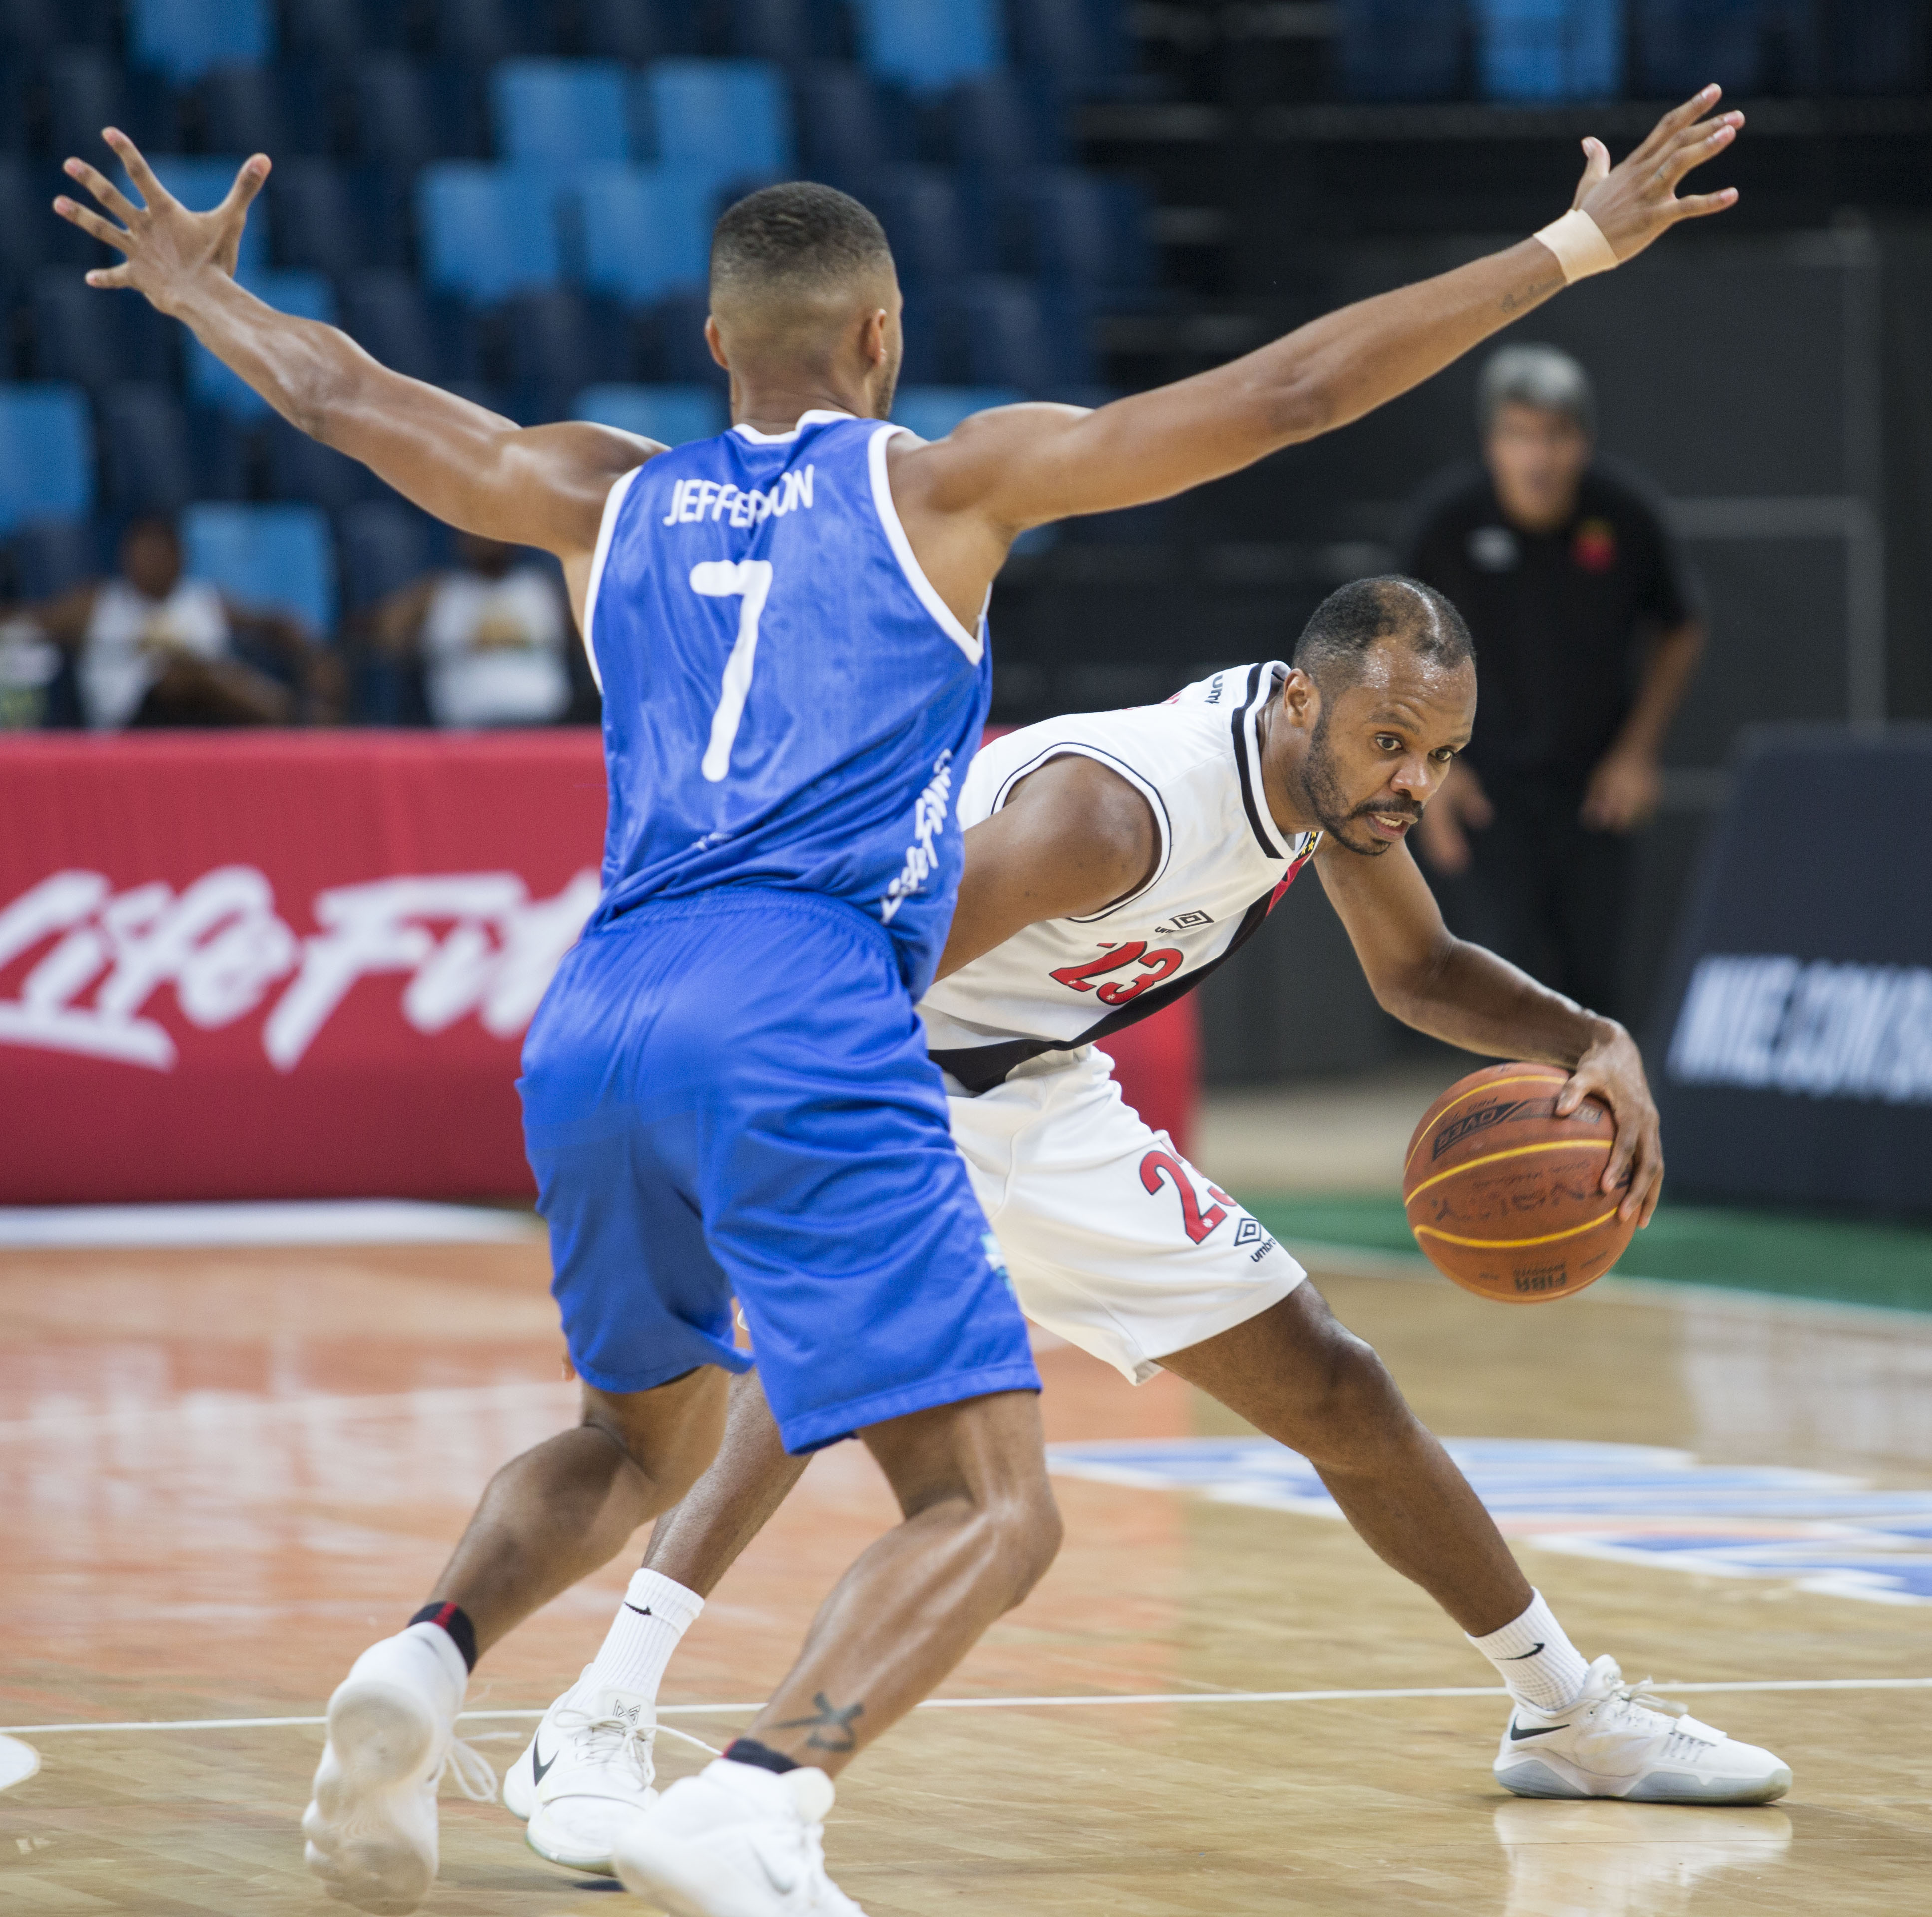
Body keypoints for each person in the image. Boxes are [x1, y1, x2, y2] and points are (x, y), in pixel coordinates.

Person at [54, 84, 1743, 1917]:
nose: (1411, 776)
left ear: (717, 343)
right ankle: (747, 1795)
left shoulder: (603, 492)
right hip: (839, 1018)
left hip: (612, 1000)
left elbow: (349, 399)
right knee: (983, 1494)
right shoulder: (953, 513)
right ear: (885, 335)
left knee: (649, 1432)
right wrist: (1567, 247)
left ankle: (434, 1660)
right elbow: (1290, 395)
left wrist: (199, 294)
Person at [498, 578, 1790, 1879]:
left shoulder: (1331, 784)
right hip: (882, 1066)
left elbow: (1418, 971)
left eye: (1441, 755)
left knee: (1336, 1388)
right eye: (1392, 744)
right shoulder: (1113, 815)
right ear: (1304, 702)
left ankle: (1562, 1714)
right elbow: (850, 970)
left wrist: (1592, 1039)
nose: (1412, 782)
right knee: (812, 1368)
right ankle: (596, 1717)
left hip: (1039, 1090)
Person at [1406, 344, 1706, 1022]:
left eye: (1555, 436)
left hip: (1595, 789)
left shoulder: (1625, 515)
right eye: (1519, 436)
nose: (1537, 457)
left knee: (1594, 991)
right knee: (1496, 987)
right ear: (1492, 443)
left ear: (1583, 442)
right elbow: (1394, 644)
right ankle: (1505, 1097)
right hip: (1485, 791)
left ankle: (1594, 1095)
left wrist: (1638, 753)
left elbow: (1681, 625)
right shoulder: (1446, 524)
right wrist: (1434, 770)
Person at [6, 515, 331, 727]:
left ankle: (298, 728)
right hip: (131, 721)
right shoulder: (97, 603)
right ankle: (298, 722)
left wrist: (312, 651)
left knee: (208, 680)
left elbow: (273, 623)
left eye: (157, 555)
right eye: (139, 555)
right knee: (185, 674)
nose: (146, 564)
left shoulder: (205, 601)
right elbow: (29, 622)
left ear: (179, 557)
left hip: (207, 719)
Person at [365, 530, 587, 728]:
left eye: (495, 530)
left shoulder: (542, 588)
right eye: (478, 533)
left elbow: (590, 639)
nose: (488, 541)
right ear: (460, 537)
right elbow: (380, 635)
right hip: (467, 731)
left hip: (543, 726)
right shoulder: (440, 592)